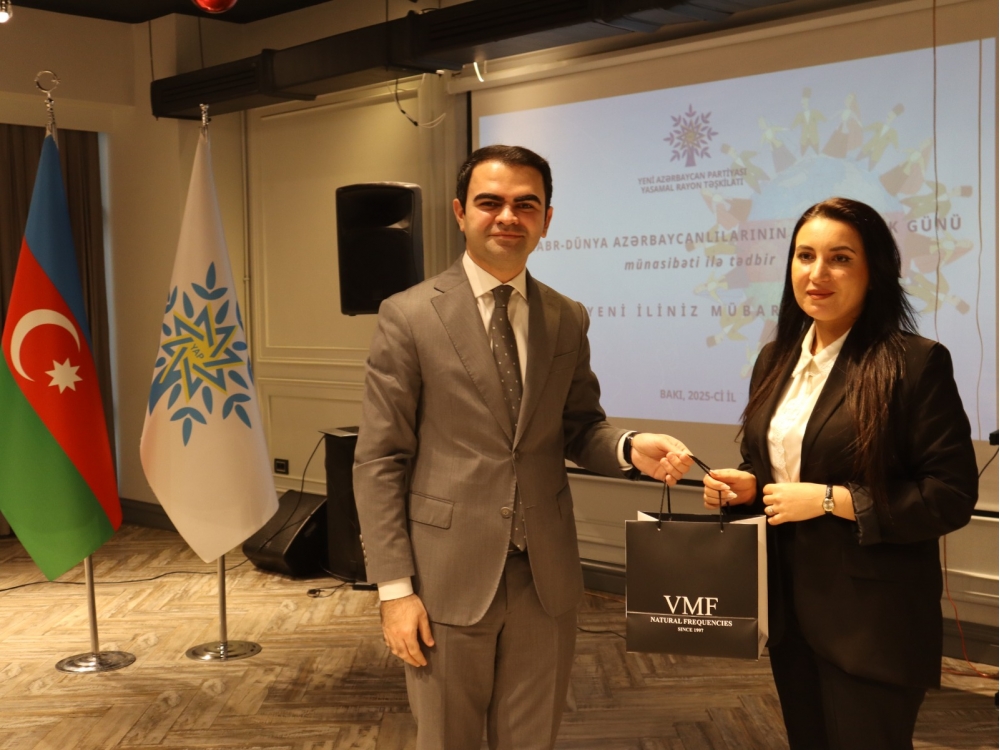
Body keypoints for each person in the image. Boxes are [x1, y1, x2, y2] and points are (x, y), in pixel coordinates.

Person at [353, 144, 693, 750]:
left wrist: (629, 446)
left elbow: (580, 426)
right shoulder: (408, 316)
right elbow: (381, 459)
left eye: (525, 204)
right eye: (491, 202)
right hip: (445, 576)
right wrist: (394, 591)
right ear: (460, 213)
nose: (508, 216)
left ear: (546, 219)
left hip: (546, 577)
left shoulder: (567, 317)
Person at [703, 197, 978, 750]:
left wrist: (832, 500)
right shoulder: (775, 358)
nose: (817, 273)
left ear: (875, 270)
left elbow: (949, 495)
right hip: (790, 614)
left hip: (873, 624)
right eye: (805, 256)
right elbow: (781, 462)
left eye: (840, 258)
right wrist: (751, 484)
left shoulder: (914, 363)